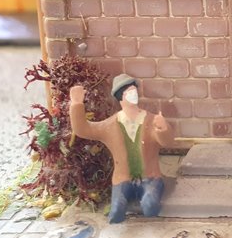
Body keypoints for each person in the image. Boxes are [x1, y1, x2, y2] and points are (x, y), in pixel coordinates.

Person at [69, 74, 174, 223]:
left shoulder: (150, 120)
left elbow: (167, 141)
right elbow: (84, 129)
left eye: (134, 91)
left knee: (150, 206)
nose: (133, 95)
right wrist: (76, 104)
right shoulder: (110, 125)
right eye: (129, 93)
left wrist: (162, 129)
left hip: (150, 177)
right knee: (116, 212)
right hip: (122, 179)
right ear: (120, 98)